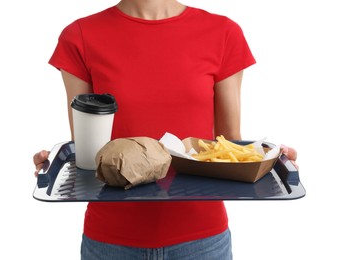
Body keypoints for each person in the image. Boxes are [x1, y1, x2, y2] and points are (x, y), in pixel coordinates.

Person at [33, 0, 298, 259]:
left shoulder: (223, 33)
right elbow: (87, 146)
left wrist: (272, 162)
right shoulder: (80, 36)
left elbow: (229, 143)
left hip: (202, 241)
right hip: (110, 240)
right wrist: (56, 162)